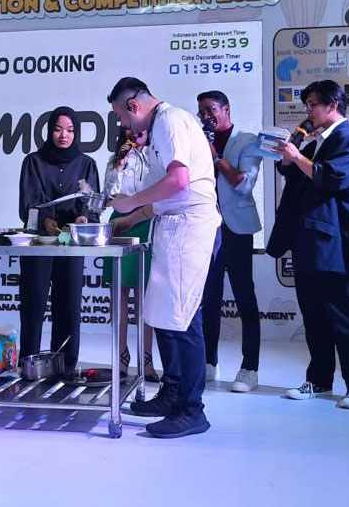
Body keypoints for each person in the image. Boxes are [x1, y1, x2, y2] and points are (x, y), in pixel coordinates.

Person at [108, 77, 221, 439]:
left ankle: (191, 409)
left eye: (122, 117)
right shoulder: (157, 129)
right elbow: (165, 194)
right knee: (162, 313)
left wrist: (130, 202)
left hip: (190, 226)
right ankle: (172, 394)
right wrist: (132, 217)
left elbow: (179, 182)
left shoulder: (170, 120)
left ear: (133, 106)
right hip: (171, 225)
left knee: (182, 317)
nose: (124, 126)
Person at [267, 79, 349, 410]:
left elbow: (333, 177)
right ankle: (320, 380)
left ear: (332, 105)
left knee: (341, 316)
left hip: (331, 243)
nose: (308, 111)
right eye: (307, 105)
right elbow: (299, 176)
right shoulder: (319, 141)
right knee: (313, 316)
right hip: (307, 239)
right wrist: (288, 159)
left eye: (313, 104)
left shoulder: (348, 139)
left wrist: (297, 156)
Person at [17, 107, 100, 376]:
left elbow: (92, 205)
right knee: (33, 303)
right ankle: (29, 364)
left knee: (69, 305)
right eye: (58, 129)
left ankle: (66, 367)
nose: (64, 135)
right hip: (39, 244)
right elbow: (28, 204)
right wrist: (45, 221)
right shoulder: (33, 162)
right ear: (49, 130)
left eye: (70, 130)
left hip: (72, 244)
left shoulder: (86, 164)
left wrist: (83, 219)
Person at [196, 90, 263, 393]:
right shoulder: (198, 141)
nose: (206, 116)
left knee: (244, 297)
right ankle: (209, 361)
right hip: (207, 229)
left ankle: (250, 368)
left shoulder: (247, 141)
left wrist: (215, 157)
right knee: (209, 298)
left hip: (237, 230)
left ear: (226, 109)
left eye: (211, 110)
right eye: (202, 112)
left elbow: (243, 184)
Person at [101, 125, 158, 381]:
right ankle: (121, 358)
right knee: (119, 295)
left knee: (145, 297)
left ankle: (147, 360)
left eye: (138, 130)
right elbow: (108, 195)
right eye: (128, 131)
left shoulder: (156, 158)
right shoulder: (115, 160)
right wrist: (119, 166)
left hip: (146, 222)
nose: (134, 134)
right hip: (118, 223)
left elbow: (158, 193)